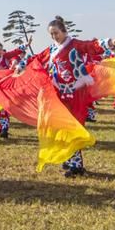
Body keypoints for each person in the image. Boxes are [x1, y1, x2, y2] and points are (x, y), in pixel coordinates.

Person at [30, 16, 104, 177]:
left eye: (56, 33)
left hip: (75, 93)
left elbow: (91, 46)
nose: (54, 36)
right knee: (61, 127)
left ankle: (77, 166)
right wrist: (20, 67)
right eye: (51, 34)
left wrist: (109, 42)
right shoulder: (51, 49)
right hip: (59, 93)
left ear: (64, 31)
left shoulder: (74, 44)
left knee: (72, 127)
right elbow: (36, 59)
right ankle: (70, 158)